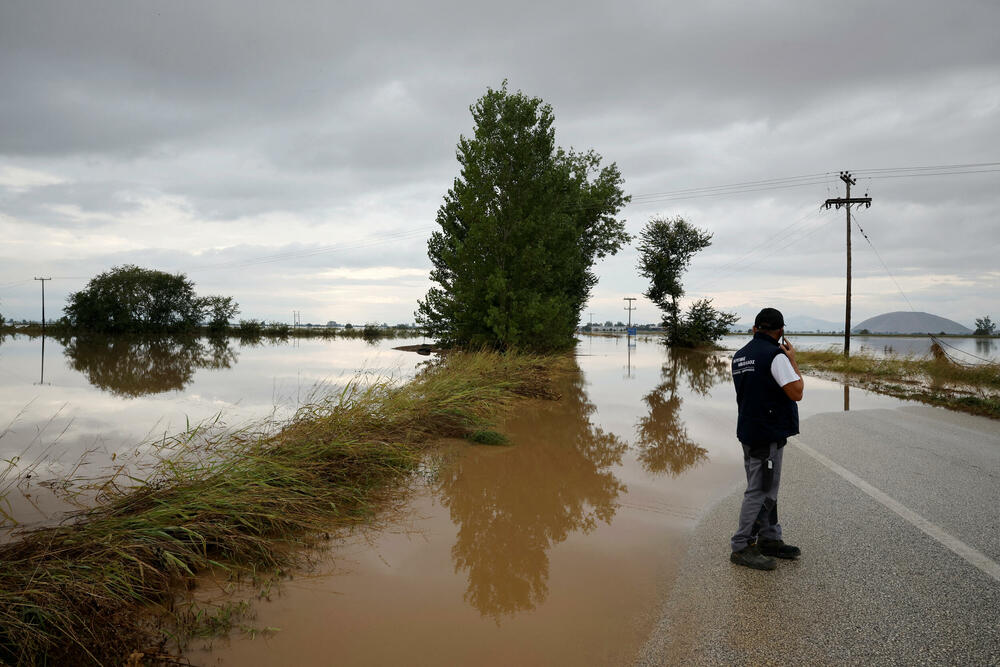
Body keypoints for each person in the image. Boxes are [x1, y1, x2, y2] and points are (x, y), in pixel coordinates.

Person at [729, 307, 804, 570]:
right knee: (761, 491)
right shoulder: (776, 356)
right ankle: (741, 546)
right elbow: (796, 392)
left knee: (766, 489)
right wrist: (792, 360)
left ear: (754, 329)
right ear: (781, 332)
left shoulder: (740, 356)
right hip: (767, 435)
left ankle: (769, 539)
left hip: (749, 432)